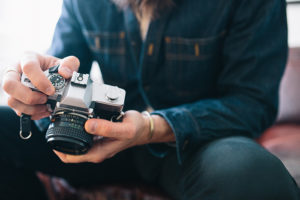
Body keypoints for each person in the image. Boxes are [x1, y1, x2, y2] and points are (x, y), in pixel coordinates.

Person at [1, 0, 299, 199]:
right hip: (103, 140)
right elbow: (66, 69)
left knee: (254, 174)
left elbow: (252, 103)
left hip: (196, 147)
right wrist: (39, 95)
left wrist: (152, 127)